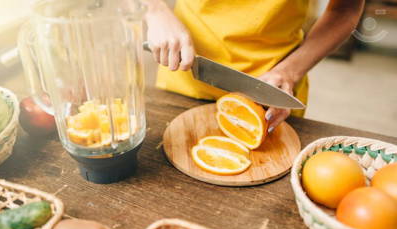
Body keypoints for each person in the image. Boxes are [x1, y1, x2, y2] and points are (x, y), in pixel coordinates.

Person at [145, 0, 365, 132]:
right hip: (183, 73)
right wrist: (155, 10)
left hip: (271, 93)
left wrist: (288, 72)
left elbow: (344, 10)